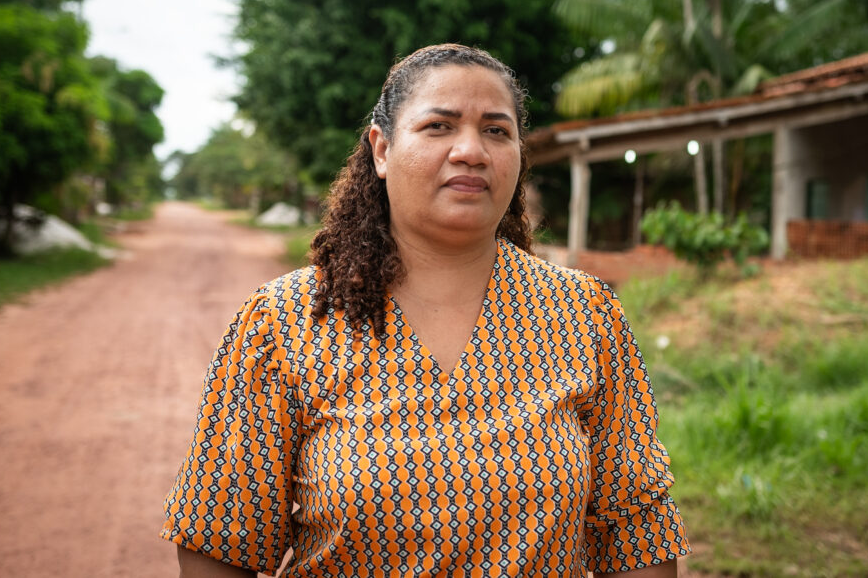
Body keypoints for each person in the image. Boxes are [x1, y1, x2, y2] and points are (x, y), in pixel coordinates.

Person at [162, 44, 690, 577]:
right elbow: (219, 540)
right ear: (382, 149)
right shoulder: (286, 321)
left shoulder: (585, 314)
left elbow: (636, 533)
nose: (471, 151)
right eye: (439, 126)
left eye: (496, 130)